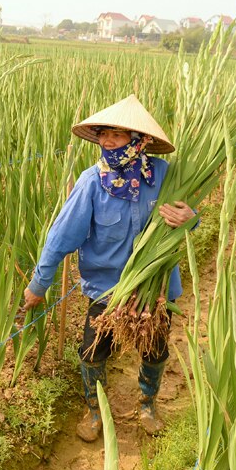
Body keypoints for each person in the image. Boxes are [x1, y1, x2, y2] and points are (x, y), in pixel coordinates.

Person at [22, 95, 196, 441]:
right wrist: (38, 286)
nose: (108, 142)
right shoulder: (92, 182)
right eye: (103, 134)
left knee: (155, 349)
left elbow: (189, 216)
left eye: (117, 135)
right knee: (92, 351)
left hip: (156, 290)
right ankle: (94, 411)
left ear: (139, 140)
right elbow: (59, 239)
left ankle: (147, 404)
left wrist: (191, 219)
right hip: (107, 288)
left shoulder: (165, 177)